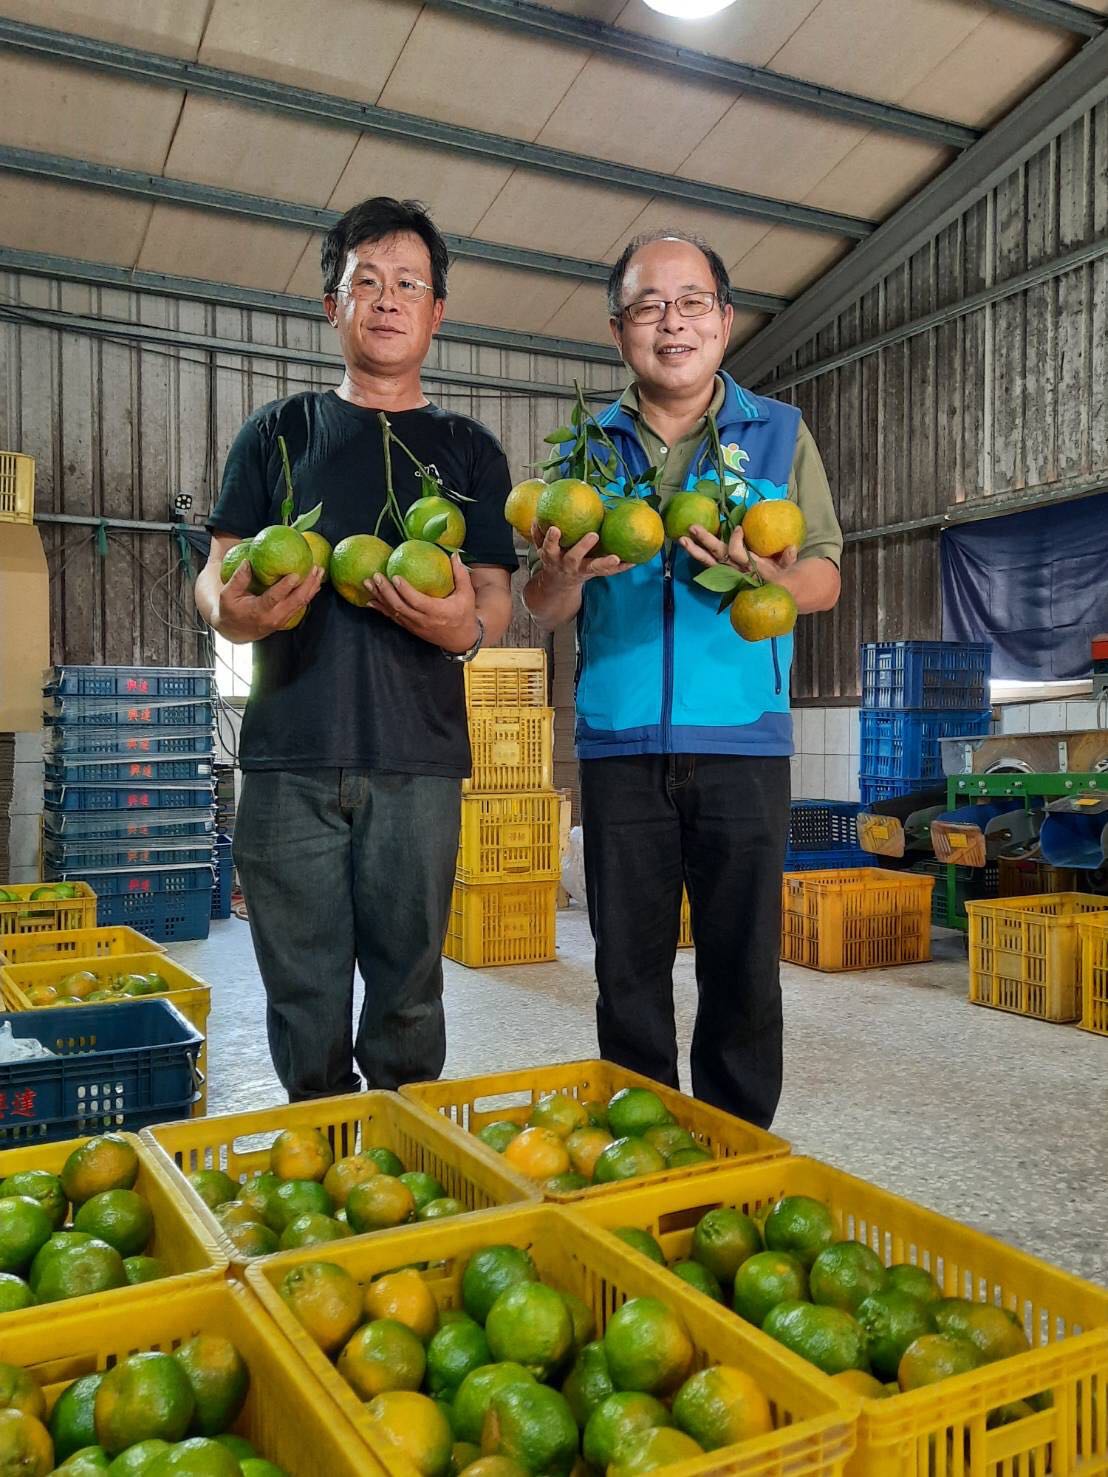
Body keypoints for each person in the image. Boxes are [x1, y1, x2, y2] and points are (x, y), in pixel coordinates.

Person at [195, 197, 516, 1102]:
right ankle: (322, 1150)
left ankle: (403, 1158)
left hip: (415, 760)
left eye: (407, 284)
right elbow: (217, 571)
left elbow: (492, 597)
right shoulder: (276, 433)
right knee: (303, 994)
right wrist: (235, 616)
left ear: (436, 313)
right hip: (289, 755)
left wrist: (466, 629)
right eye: (363, 282)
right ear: (331, 306)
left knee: (410, 993)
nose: (385, 299)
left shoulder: (468, 451)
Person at [523, 229, 842, 1129]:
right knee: (626, 971)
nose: (673, 323)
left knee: (743, 970)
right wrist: (559, 577)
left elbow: (824, 570)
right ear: (619, 328)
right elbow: (542, 605)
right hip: (620, 746)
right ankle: (640, 1151)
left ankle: (736, 1157)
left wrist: (778, 582)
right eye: (649, 306)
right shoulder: (585, 449)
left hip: (742, 740)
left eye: (692, 302)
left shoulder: (778, 433)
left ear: (726, 318)